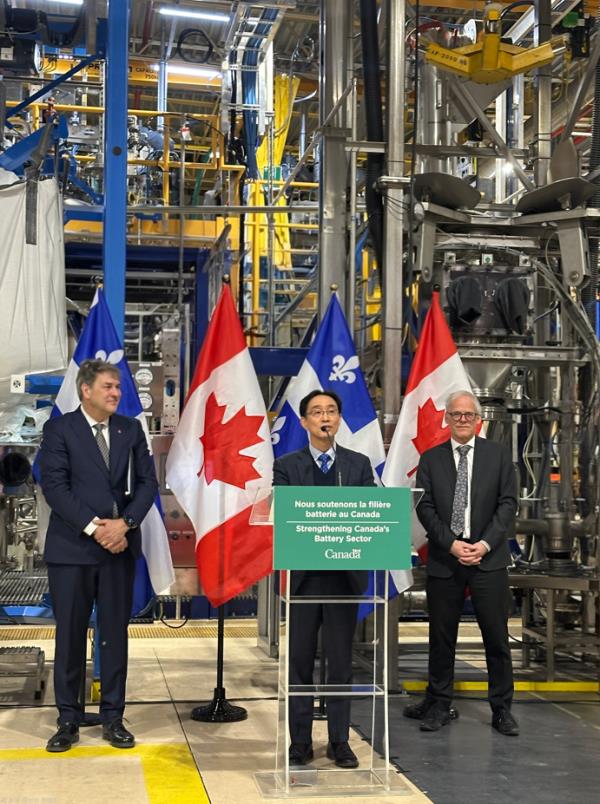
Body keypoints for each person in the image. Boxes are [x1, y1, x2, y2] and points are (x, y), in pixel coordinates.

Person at [39, 359, 159, 752]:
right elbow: (55, 488)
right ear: (85, 390)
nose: (116, 393)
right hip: (72, 551)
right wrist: (97, 528)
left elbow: (147, 483)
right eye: (108, 387)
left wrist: (123, 525)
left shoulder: (130, 429)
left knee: (114, 636)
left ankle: (113, 717)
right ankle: (68, 720)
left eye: (118, 388)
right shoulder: (60, 428)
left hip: (118, 551)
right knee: (70, 636)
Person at [404, 390, 519, 736]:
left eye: (469, 415)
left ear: (478, 419)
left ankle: (502, 709)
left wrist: (483, 544)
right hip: (445, 559)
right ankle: (439, 703)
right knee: (442, 638)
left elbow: (508, 504)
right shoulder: (431, 459)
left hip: (489, 560)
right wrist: (452, 544)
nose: (463, 420)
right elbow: (425, 508)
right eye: (456, 415)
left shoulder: (499, 457)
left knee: (496, 639)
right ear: (447, 420)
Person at [273, 389, 375, 769]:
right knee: (299, 661)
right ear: (304, 422)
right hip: (304, 578)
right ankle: (299, 741)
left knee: (339, 663)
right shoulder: (287, 465)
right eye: (317, 412)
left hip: (342, 579)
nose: (324, 417)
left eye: (331, 411)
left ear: (338, 419)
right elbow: (285, 513)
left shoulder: (358, 465)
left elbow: (369, 514)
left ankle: (339, 740)